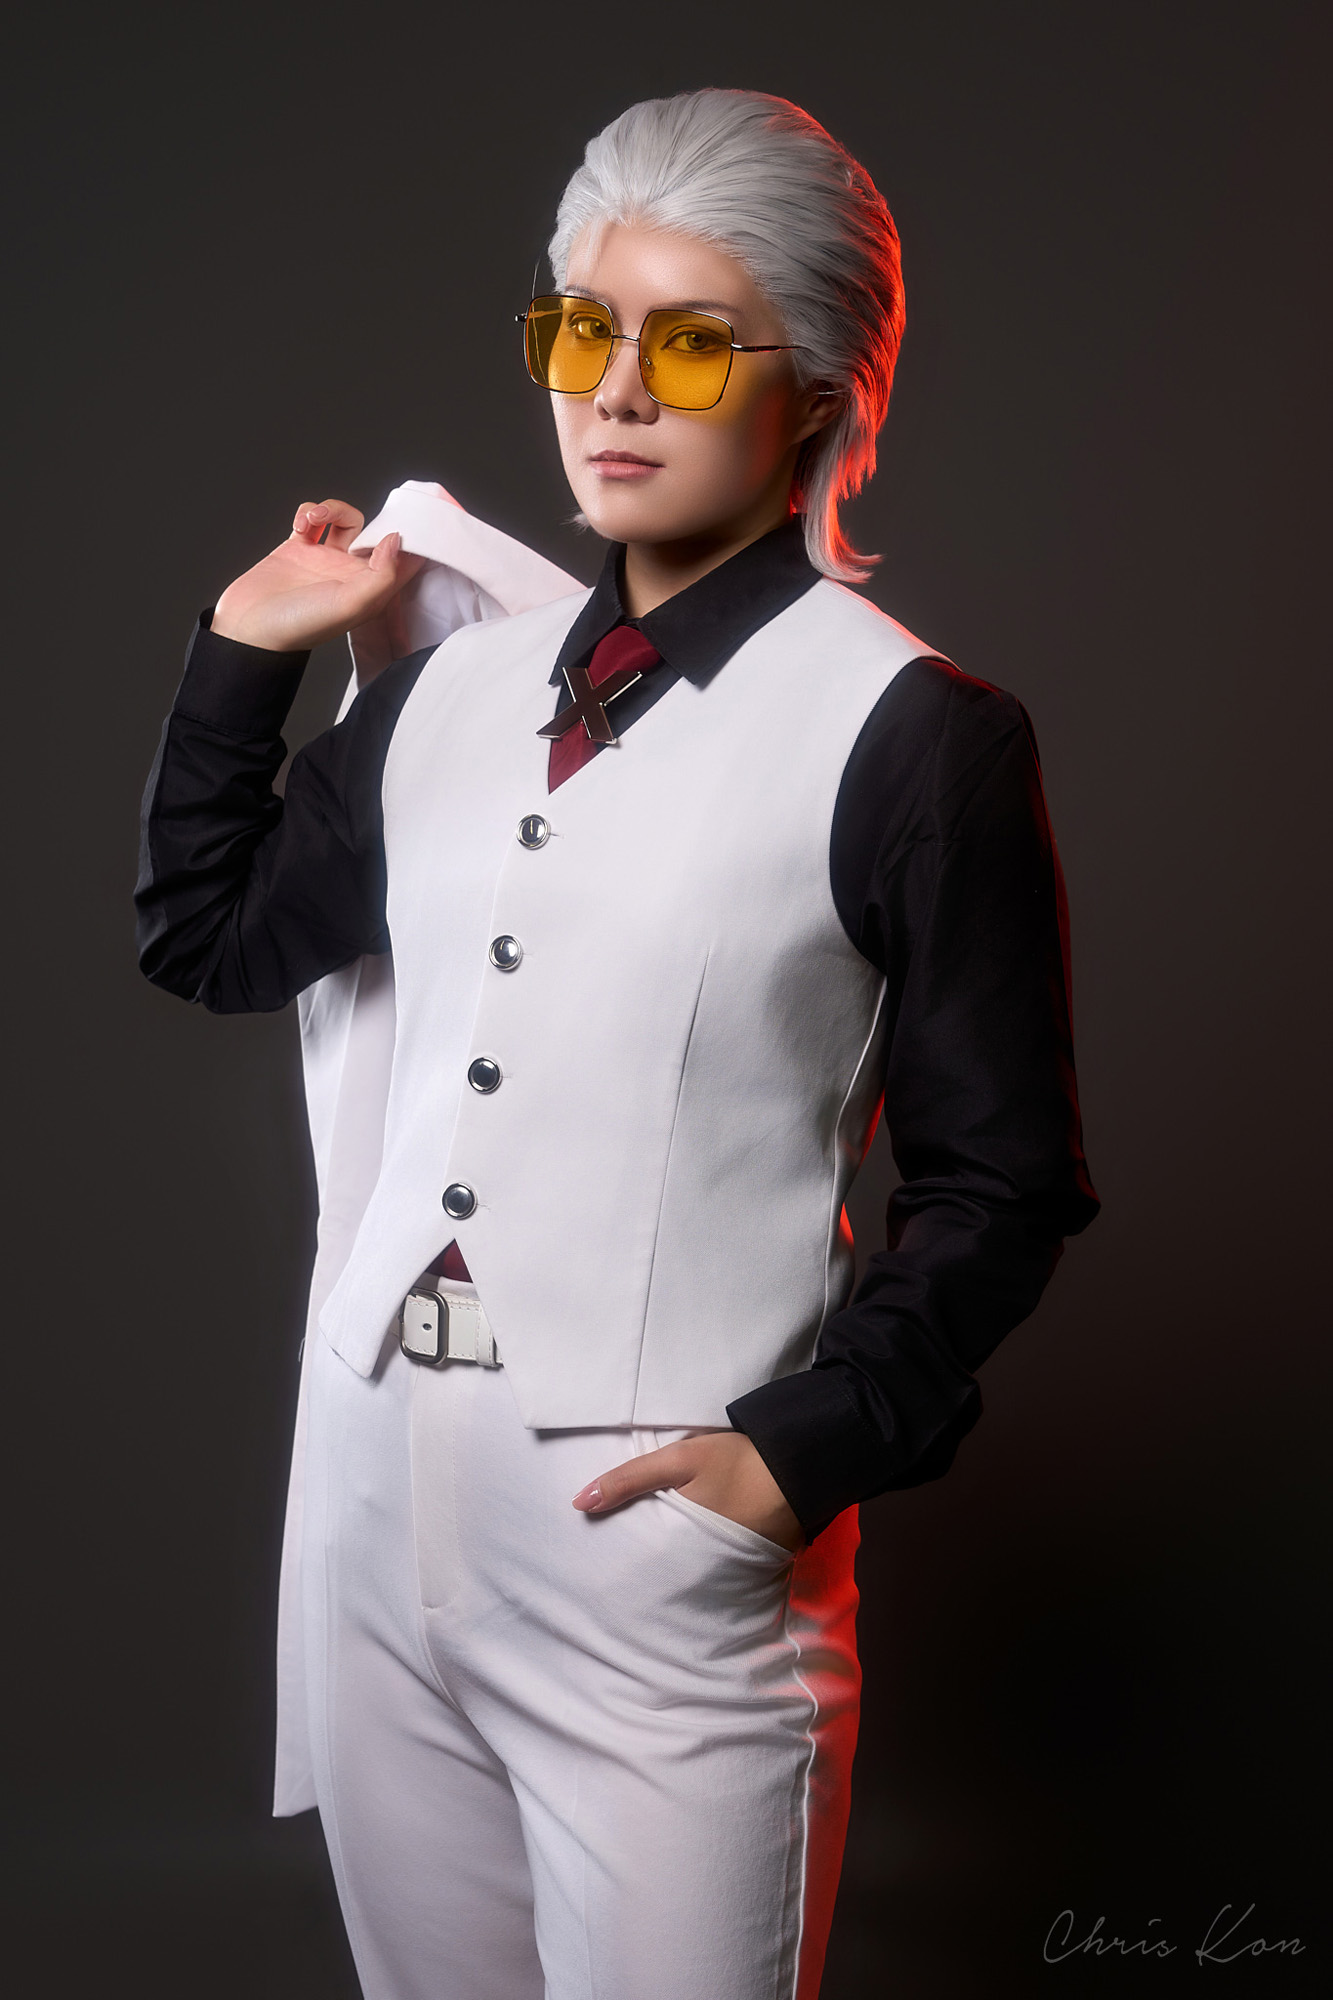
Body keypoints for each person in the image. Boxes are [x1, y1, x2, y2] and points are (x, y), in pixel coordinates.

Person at [136, 87, 1098, 2000]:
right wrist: (246, 649)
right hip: (372, 1500)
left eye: (693, 342)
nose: (619, 391)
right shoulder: (446, 691)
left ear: (813, 392)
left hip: (658, 1547)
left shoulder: (916, 737)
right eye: (583, 331)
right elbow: (212, 938)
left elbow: (1004, 1182)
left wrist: (805, 1451)